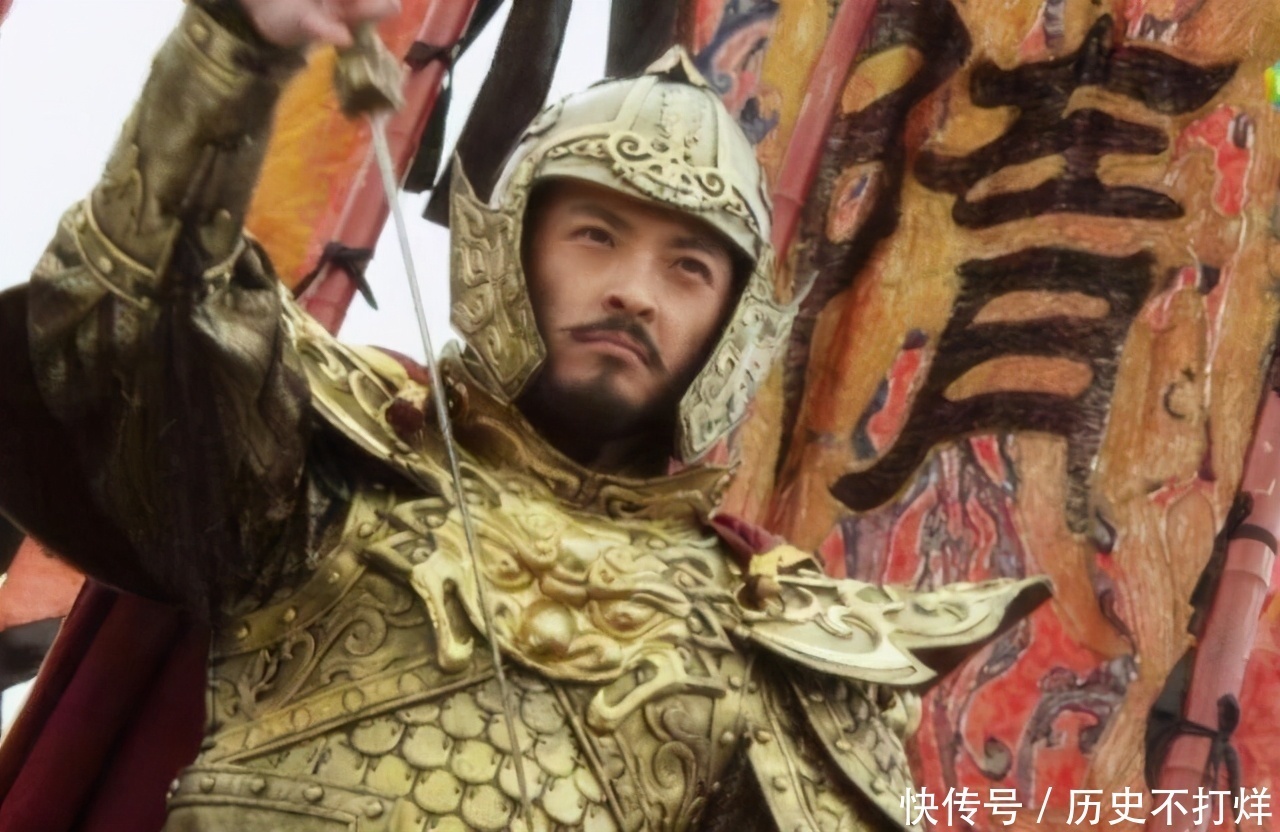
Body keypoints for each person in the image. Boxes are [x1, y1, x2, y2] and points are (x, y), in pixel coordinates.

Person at [5, 0, 1047, 829]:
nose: (634, 291)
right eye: (595, 236)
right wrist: (232, 50)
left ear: (733, 328)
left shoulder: (772, 644)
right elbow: (119, 319)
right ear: (508, 250)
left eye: (686, 268)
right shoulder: (330, 467)